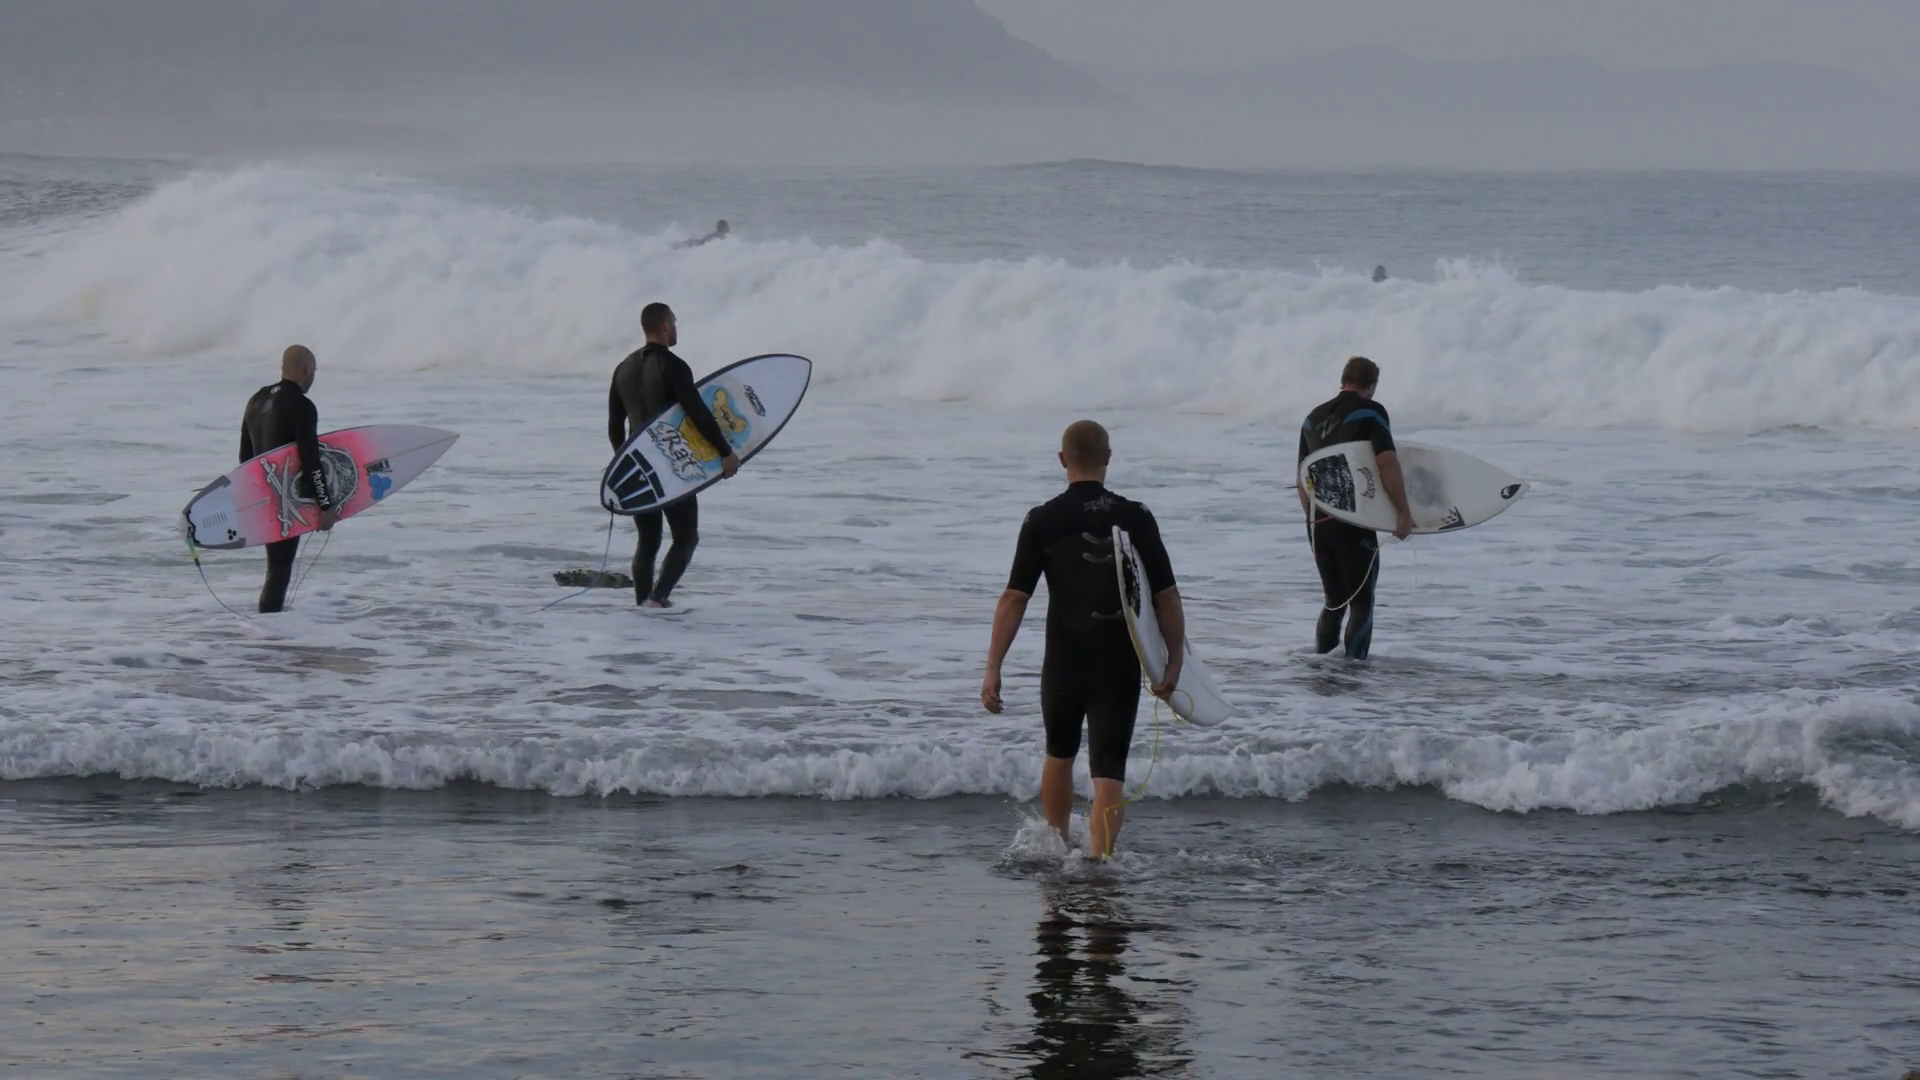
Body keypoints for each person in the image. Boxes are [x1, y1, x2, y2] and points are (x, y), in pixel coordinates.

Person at [981, 421, 1185, 859]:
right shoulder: (1137, 517)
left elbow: (1014, 597)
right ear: (1108, 457)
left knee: (1059, 752)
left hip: (1064, 659)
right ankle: (1100, 863)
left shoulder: (1042, 520)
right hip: (1118, 662)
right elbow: (1166, 596)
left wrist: (993, 666)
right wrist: (1174, 660)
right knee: (1108, 771)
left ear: (1061, 460)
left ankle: (1056, 849)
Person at [607, 302, 740, 608]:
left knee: (648, 539)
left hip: (638, 465)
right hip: (673, 465)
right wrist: (726, 452)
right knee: (685, 537)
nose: (676, 328)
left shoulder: (622, 369)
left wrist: (622, 464)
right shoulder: (673, 366)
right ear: (666, 325)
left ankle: (643, 604)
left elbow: (615, 427)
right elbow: (698, 414)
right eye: (675, 323)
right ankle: (658, 599)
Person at [1297, 356, 1412, 660]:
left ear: (1343, 380)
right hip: (1354, 520)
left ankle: (1322, 666)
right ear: (1372, 385)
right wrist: (1403, 511)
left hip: (1319, 520)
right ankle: (1355, 679)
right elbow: (1386, 462)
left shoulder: (1312, 417)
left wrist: (1313, 522)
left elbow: (1302, 479)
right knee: (1361, 602)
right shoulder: (1372, 412)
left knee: (1334, 601)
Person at [239, 344, 338, 613]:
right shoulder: (302, 406)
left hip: (265, 497)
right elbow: (311, 459)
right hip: (288, 499)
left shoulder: (256, 400)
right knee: (279, 572)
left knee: (276, 570)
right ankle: (270, 638)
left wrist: (256, 502)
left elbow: (244, 459)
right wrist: (325, 505)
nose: (313, 377)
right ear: (306, 370)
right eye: (314, 371)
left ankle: (270, 634)